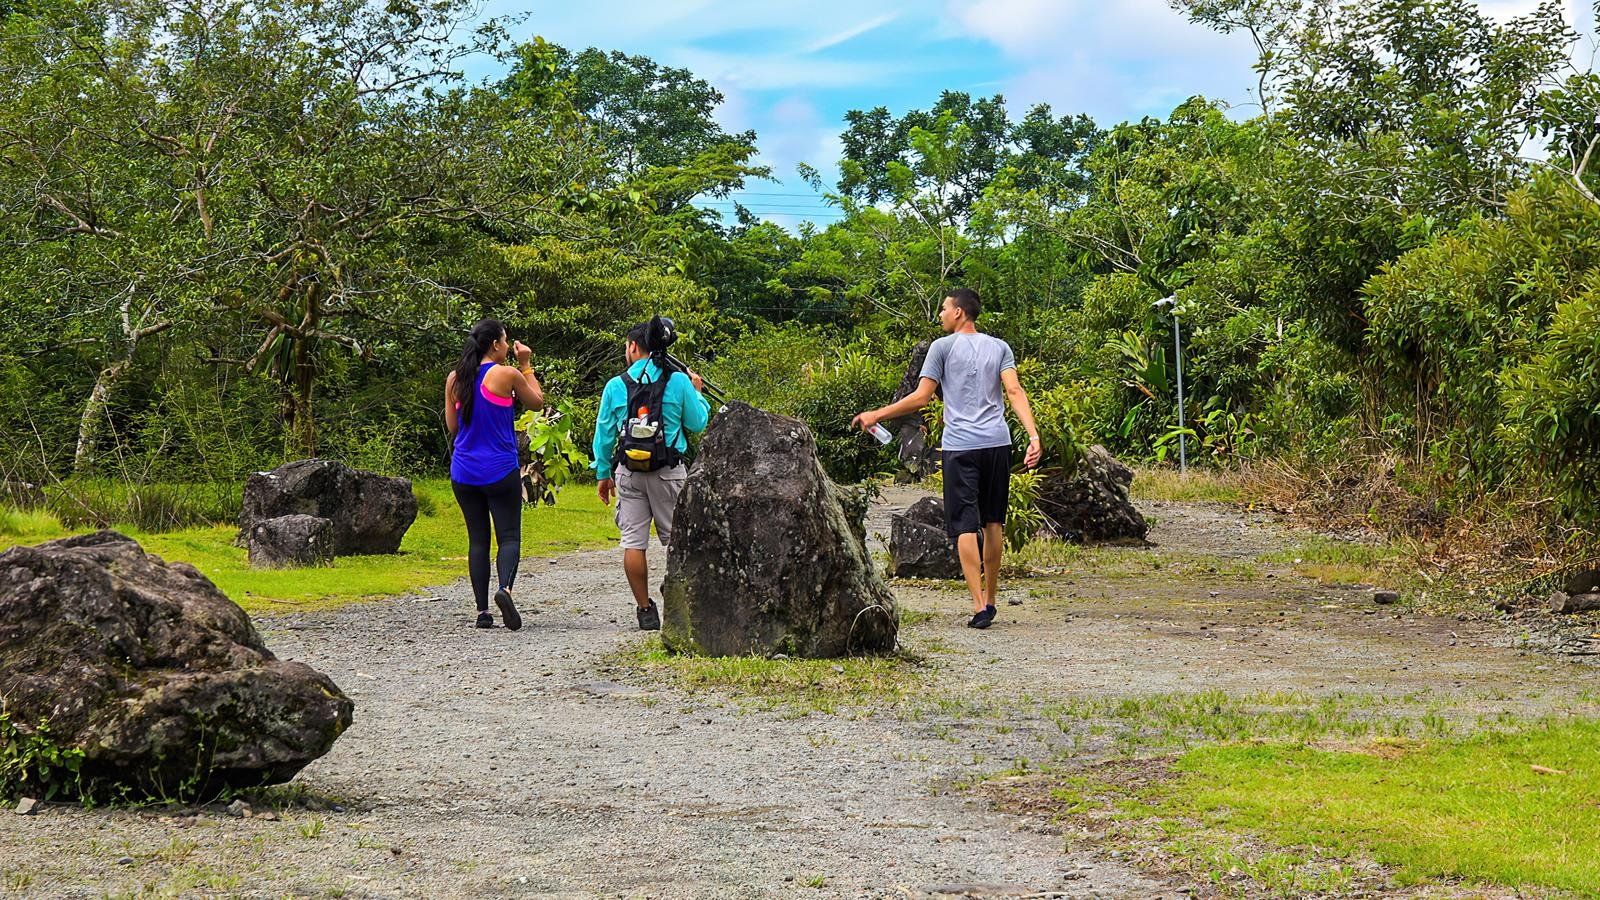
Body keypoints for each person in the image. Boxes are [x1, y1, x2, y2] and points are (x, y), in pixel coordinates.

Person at [851, 288, 1042, 629]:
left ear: (958, 313)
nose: (940, 314)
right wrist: (1032, 435)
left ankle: (979, 604)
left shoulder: (941, 347)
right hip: (997, 443)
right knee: (993, 521)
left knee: (966, 524)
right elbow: (1014, 391)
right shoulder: (1000, 347)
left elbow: (922, 397)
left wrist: (877, 414)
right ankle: (993, 597)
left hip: (961, 446)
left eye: (943, 309)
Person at [592, 321, 710, 630]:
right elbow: (697, 423)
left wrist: (603, 474)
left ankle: (644, 610)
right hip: (669, 472)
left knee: (634, 542)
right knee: (677, 541)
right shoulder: (678, 381)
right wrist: (697, 393)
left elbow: (604, 435)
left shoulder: (615, 386)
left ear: (633, 346)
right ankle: (677, 597)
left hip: (628, 473)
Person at [444, 319, 545, 630]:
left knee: (478, 541)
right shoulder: (507, 374)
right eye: (505, 340)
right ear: (496, 345)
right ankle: (506, 590)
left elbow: (453, 427)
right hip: (500, 470)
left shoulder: (455, 378)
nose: (507, 345)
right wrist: (526, 364)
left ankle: (482, 612)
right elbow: (537, 402)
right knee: (509, 536)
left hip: (464, 472)